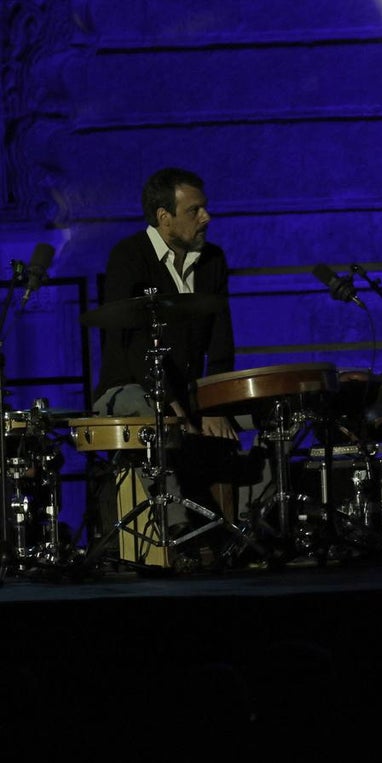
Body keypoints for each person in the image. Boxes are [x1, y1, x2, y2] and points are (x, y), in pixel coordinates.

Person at [91, 167, 242, 562]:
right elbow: (133, 344)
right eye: (195, 210)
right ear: (164, 217)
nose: (206, 217)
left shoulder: (212, 259)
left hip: (190, 392)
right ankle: (179, 526)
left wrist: (216, 404)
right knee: (152, 418)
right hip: (129, 386)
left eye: (205, 208)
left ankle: (251, 529)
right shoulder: (129, 256)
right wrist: (173, 406)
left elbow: (222, 338)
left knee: (265, 415)